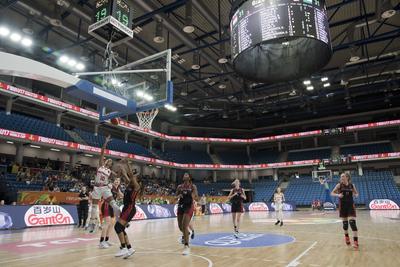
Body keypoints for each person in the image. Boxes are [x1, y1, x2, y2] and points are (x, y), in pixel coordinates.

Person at [88, 135, 120, 233]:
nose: (108, 161)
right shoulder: (101, 165)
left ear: (111, 165)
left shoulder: (110, 172)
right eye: (108, 160)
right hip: (97, 187)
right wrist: (106, 142)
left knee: (114, 204)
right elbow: (102, 152)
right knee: (94, 206)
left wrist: (121, 168)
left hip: (105, 188)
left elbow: (118, 176)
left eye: (110, 161)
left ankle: (121, 220)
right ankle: (92, 223)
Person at [114, 160, 140, 259]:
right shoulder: (129, 184)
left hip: (130, 208)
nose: (133, 177)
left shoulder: (137, 187)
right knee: (121, 229)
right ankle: (129, 248)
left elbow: (131, 176)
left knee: (118, 227)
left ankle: (123, 248)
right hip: (126, 208)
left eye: (135, 177)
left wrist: (128, 163)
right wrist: (122, 167)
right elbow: (126, 174)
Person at [331, 173, 359, 249]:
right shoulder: (339, 185)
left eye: (343, 176)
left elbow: (356, 193)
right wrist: (338, 195)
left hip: (350, 205)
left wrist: (356, 195)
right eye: (341, 177)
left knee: (352, 223)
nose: (341, 178)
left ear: (347, 177)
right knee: (345, 225)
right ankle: (346, 237)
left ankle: (356, 242)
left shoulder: (352, 185)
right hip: (342, 206)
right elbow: (332, 193)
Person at [176, 173, 198, 255]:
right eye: (184, 174)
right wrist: (179, 195)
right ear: (182, 177)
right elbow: (175, 196)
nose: (185, 175)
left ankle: (186, 246)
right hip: (180, 206)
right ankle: (187, 233)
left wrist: (192, 195)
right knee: (180, 227)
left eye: (187, 174)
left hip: (189, 206)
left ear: (189, 177)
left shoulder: (193, 186)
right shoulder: (179, 187)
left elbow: (196, 197)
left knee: (184, 225)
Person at [99, 178, 123, 248]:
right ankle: (101, 242)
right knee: (106, 223)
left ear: (119, 182)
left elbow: (121, 195)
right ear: (113, 181)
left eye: (118, 181)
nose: (117, 182)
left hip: (112, 207)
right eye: (116, 180)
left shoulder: (118, 189)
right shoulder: (110, 186)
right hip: (106, 205)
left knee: (111, 224)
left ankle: (106, 240)